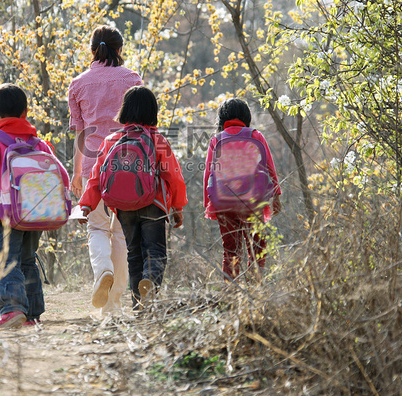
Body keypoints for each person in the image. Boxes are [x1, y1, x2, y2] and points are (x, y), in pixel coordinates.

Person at [0, 83, 69, 329]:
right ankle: (32, 314)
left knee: (6, 259)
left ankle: (12, 309)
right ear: (25, 113)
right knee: (27, 260)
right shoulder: (38, 143)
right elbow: (61, 175)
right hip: (37, 212)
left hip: (8, 214)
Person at [79, 86, 187, 309]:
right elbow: (174, 176)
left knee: (134, 254)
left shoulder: (111, 140)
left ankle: (138, 305)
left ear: (125, 110)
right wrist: (178, 207)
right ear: (152, 111)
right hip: (154, 205)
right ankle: (150, 283)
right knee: (155, 251)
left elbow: (96, 176)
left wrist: (86, 205)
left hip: (123, 208)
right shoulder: (157, 140)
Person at [68, 25, 142, 315]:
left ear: (92, 50)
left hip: (92, 165)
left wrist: (76, 173)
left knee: (97, 226)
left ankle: (102, 273)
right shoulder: (132, 78)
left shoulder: (78, 84)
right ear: (120, 49)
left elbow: (80, 133)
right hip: (128, 163)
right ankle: (114, 303)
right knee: (123, 232)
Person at [203, 98, 282, 280]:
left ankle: (230, 295)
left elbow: (208, 173)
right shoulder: (255, 136)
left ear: (222, 118)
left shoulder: (217, 139)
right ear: (247, 117)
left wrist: (209, 204)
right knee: (257, 247)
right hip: (253, 202)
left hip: (224, 203)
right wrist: (277, 194)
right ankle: (255, 288)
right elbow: (269, 166)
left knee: (230, 250)